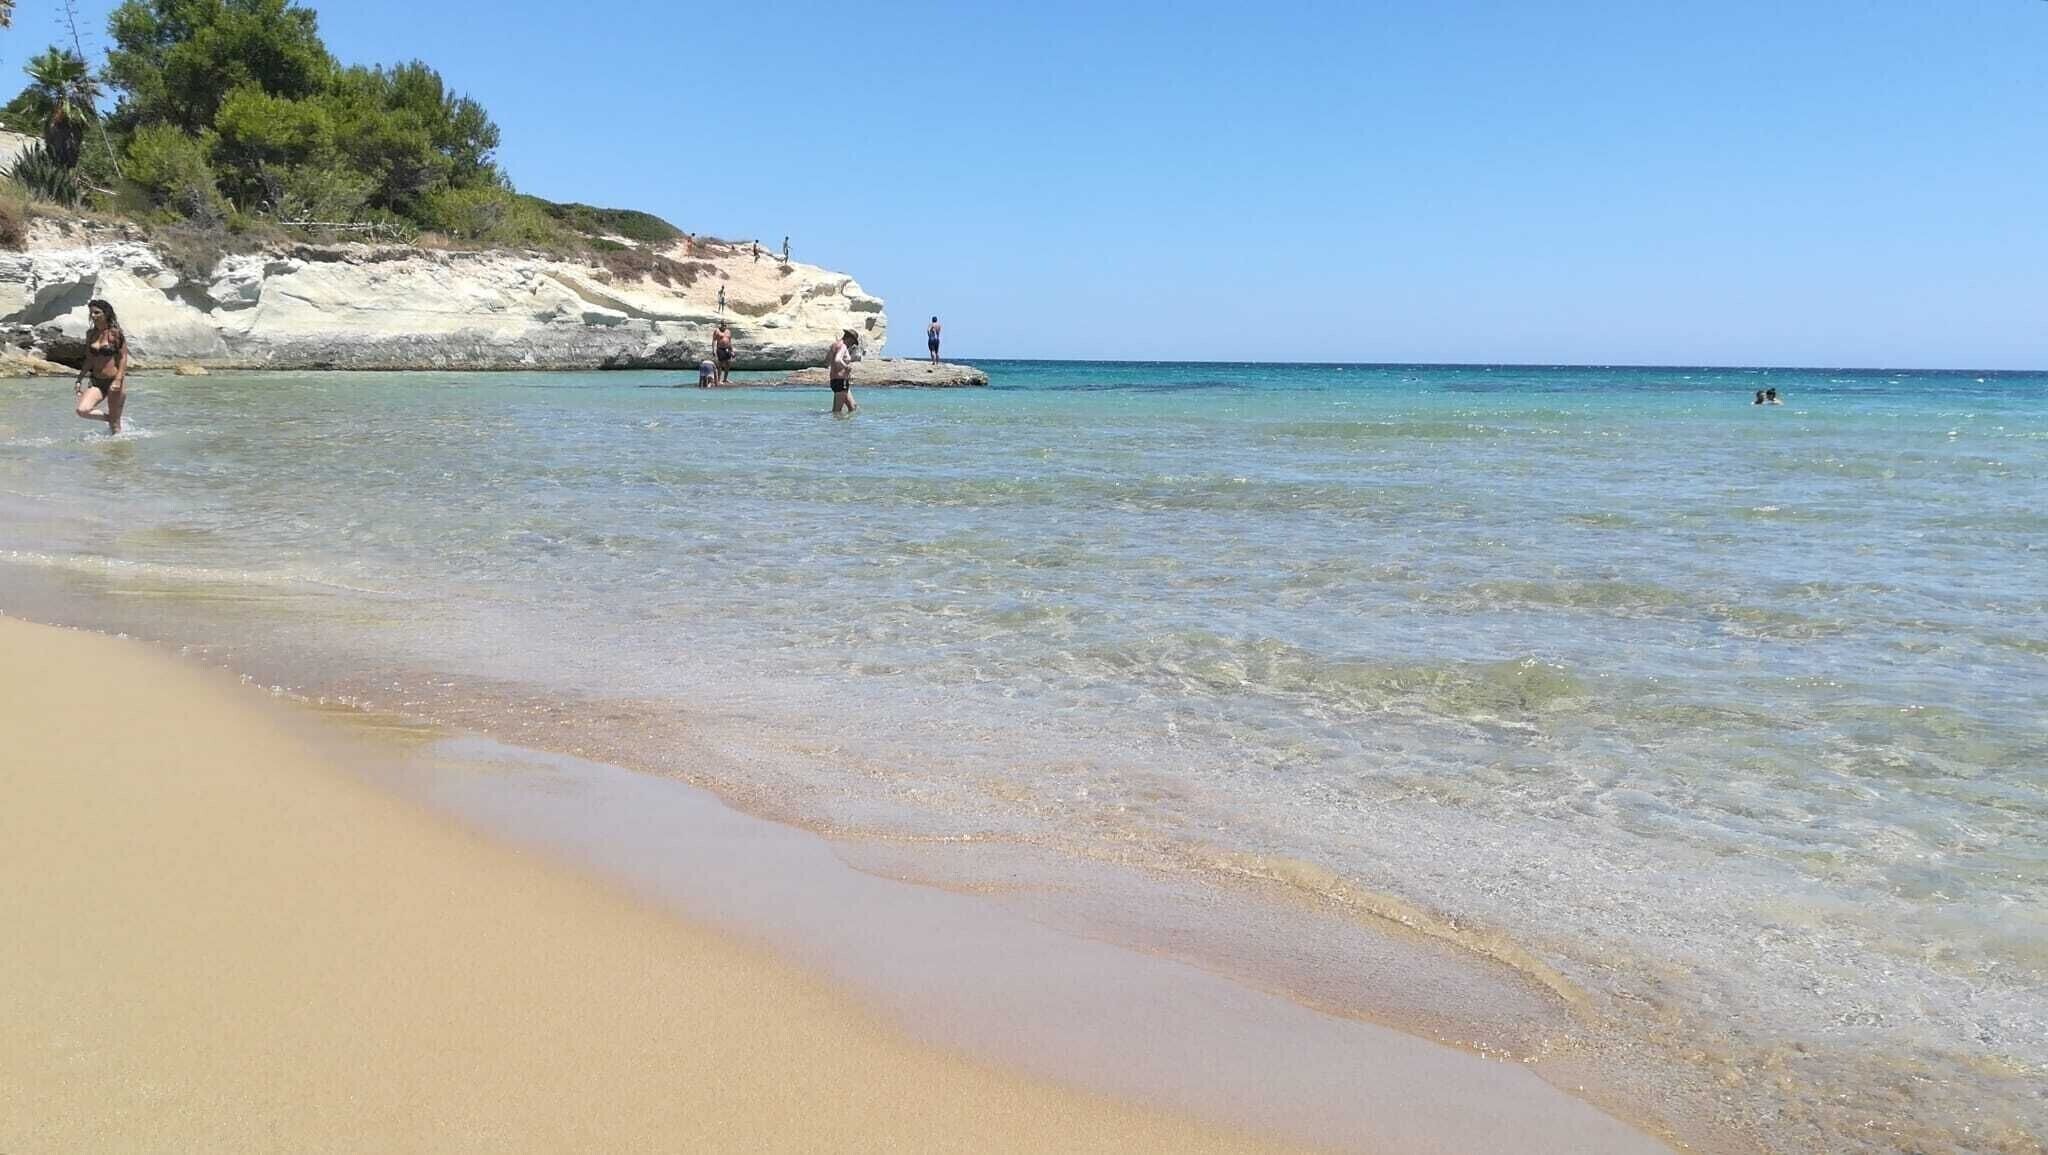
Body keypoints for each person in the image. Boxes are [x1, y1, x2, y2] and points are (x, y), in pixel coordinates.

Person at [74, 298, 129, 434]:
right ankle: (111, 418)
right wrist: (79, 379)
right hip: (96, 381)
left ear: (106, 314)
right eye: (91, 313)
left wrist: (118, 380)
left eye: (97, 313)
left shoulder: (115, 333)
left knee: (115, 428)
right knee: (82, 410)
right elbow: (89, 359)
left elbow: (123, 357)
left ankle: (115, 451)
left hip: (113, 382)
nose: (93, 316)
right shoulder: (91, 334)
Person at [828, 329, 858, 415]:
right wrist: (846, 367)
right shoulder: (843, 346)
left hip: (836, 380)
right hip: (840, 382)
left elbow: (828, 361)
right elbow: (837, 360)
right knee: (837, 411)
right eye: (852, 342)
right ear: (850, 339)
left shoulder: (835, 345)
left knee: (853, 407)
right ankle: (834, 426)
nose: (852, 345)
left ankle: (847, 427)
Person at [713, 321, 735, 385]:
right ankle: (719, 380)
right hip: (720, 349)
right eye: (723, 325)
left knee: (728, 364)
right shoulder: (717, 331)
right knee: (720, 365)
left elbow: (730, 342)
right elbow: (714, 341)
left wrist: (732, 351)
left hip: (727, 349)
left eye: (725, 325)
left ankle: (725, 379)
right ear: (721, 325)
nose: (724, 326)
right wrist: (713, 350)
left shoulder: (728, 331)